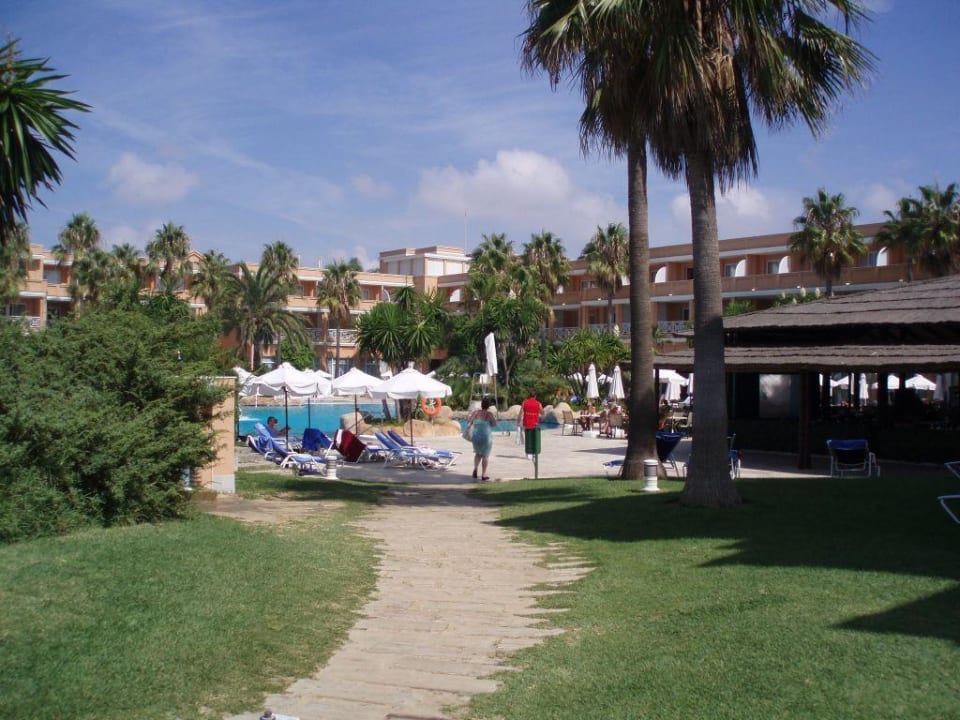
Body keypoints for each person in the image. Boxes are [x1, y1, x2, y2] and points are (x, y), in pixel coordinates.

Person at [469, 397, 497, 481]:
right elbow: (494, 424)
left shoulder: (476, 413)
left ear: (481, 405)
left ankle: (475, 469)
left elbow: (470, 421)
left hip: (476, 437)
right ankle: (484, 474)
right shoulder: (489, 414)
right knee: (485, 455)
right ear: (488, 406)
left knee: (477, 454)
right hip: (486, 437)